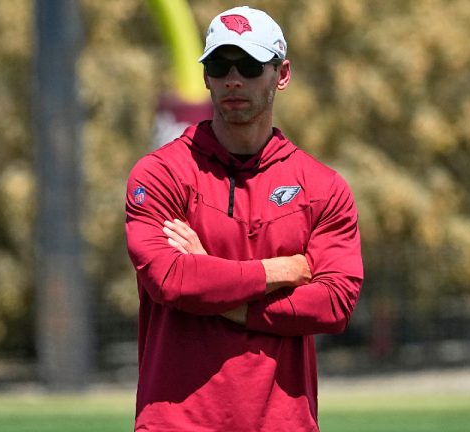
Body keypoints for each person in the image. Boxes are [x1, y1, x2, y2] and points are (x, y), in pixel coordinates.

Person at [125, 6, 364, 431]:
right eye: (219, 65)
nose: (233, 79)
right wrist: (279, 270)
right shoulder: (160, 174)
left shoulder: (322, 187)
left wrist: (224, 295)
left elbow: (333, 304)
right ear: (205, 76)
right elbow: (171, 280)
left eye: (251, 66)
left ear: (282, 74)